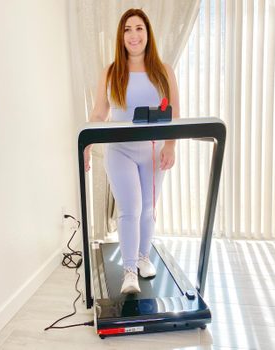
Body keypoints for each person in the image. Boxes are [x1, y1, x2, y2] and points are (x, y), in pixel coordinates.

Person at [84, 8, 180, 294]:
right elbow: (100, 113)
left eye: (139, 28)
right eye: (128, 29)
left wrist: (171, 145)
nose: (134, 35)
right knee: (130, 208)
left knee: (148, 210)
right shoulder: (112, 72)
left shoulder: (163, 71)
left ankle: (142, 257)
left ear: (148, 33)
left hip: (153, 150)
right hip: (121, 150)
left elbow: (174, 113)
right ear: (121, 36)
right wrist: (87, 145)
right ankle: (128, 271)